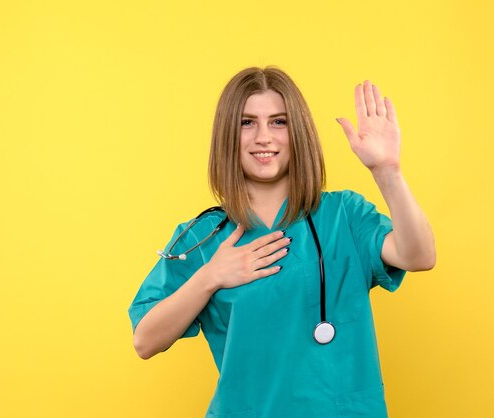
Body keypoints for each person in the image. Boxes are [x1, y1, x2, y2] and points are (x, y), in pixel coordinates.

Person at [127, 66, 436, 417]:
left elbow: (419, 255)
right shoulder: (205, 237)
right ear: (227, 134)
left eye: (278, 122)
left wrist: (387, 171)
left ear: (297, 132)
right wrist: (211, 276)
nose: (263, 137)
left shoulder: (343, 215)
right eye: (247, 123)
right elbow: (145, 340)